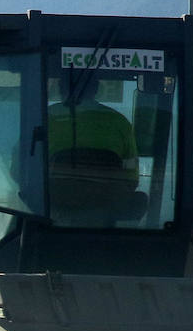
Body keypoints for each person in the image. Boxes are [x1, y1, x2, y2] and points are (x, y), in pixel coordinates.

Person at [47, 73, 140, 220]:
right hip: (108, 205)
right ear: (96, 89)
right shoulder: (119, 122)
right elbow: (132, 178)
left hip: (54, 208)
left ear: (60, 88)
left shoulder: (44, 119)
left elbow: (20, 171)